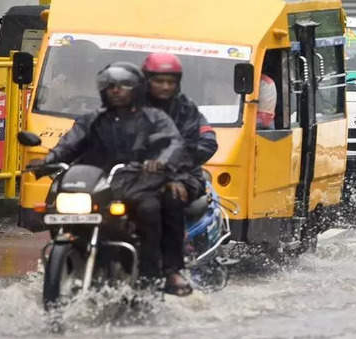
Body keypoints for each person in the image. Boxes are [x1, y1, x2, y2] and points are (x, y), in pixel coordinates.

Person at [31, 62, 191, 294]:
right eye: (110, 85)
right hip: (99, 184)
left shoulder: (154, 118)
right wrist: (48, 160)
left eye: (124, 85)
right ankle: (68, 262)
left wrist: (161, 161)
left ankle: (155, 275)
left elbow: (172, 143)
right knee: (59, 207)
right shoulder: (92, 119)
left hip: (140, 184)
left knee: (150, 209)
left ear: (137, 89)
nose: (116, 90)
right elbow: (69, 144)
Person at [142, 53, 219, 291]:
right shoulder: (129, 106)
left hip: (183, 175)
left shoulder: (186, 110)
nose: (165, 86)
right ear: (146, 80)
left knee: (170, 199)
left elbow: (207, 141)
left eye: (170, 81)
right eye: (159, 80)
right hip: (135, 175)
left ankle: (172, 269)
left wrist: (171, 167)